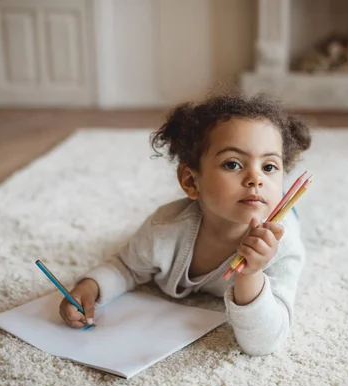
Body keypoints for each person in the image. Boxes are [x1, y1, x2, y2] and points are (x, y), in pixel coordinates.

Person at [59, 93, 312, 355]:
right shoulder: (164, 228)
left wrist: (250, 274)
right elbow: (126, 266)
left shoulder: (283, 249)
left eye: (269, 167)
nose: (255, 179)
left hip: (280, 213)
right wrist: (89, 287)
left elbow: (264, 343)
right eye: (233, 164)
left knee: (279, 205)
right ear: (191, 181)